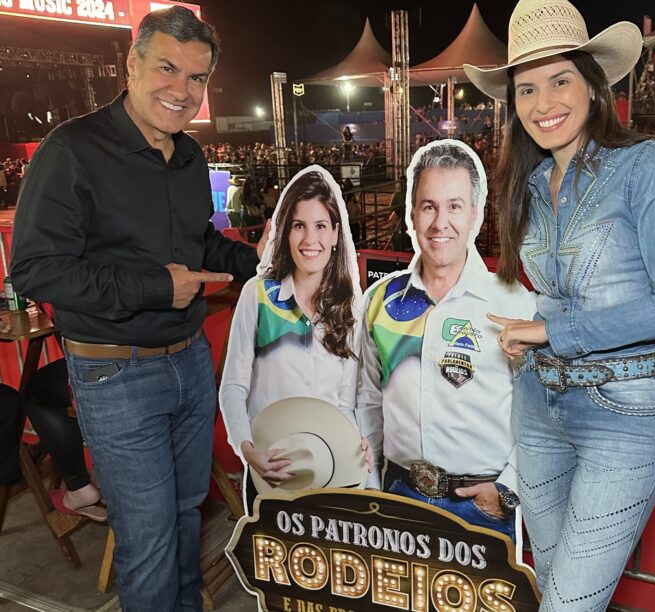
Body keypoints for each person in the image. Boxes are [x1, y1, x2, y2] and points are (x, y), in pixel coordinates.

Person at [10, 7, 264, 611]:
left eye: (197, 78)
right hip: (115, 373)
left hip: (189, 362)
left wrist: (266, 259)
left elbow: (200, 244)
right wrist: (153, 288)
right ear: (132, 65)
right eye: (167, 69)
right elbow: (35, 269)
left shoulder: (190, 156)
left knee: (186, 514)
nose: (182, 90)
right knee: (148, 538)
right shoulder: (72, 150)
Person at [464, 0, 655, 608]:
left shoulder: (641, 165)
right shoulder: (527, 184)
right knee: (552, 587)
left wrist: (553, 332)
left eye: (560, 80)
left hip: (623, 416)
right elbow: (563, 296)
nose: (542, 102)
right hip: (538, 406)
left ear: (594, 86)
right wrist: (530, 333)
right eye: (526, 89)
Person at [356, 140, 536, 547]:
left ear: (474, 213)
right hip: (395, 496)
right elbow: (367, 398)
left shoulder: (513, 302)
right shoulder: (379, 300)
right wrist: (370, 483)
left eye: (454, 206)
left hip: (480, 507)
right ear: (412, 214)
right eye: (428, 206)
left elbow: (540, 412)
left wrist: (506, 490)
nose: (440, 223)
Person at [219, 166, 370, 512]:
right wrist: (246, 448)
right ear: (285, 232)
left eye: (320, 226)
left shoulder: (350, 309)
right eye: (299, 226)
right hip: (268, 469)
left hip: (330, 470)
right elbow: (233, 386)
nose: (309, 240)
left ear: (336, 234)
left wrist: (359, 442)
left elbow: (346, 401)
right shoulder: (258, 295)